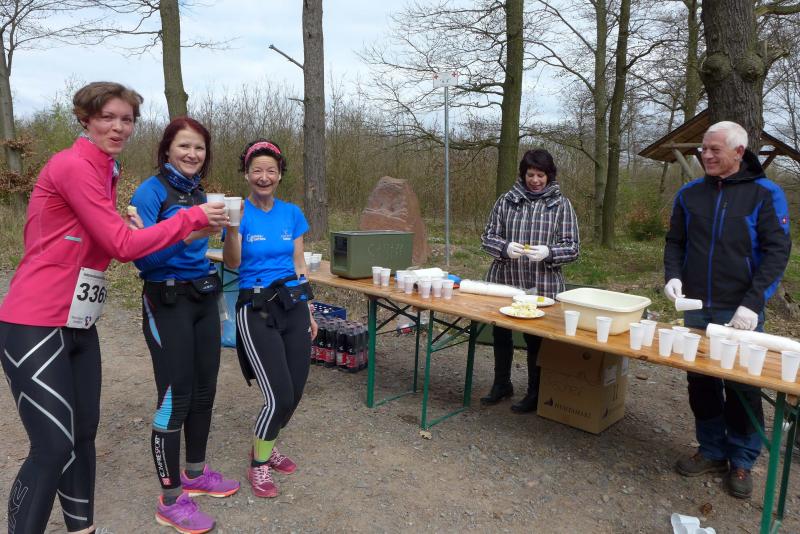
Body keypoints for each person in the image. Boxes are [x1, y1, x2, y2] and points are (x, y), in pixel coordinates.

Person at [0, 82, 226, 534]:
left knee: (83, 435)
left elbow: (108, 241)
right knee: (52, 447)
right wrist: (191, 218)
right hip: (35, 320)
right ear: (85, 118)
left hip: (79, 320)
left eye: (127, 119)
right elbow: (122, 246)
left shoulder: (106, 170)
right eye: (108, 117)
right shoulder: (73, 164)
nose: (119, 127)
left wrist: (132, 229)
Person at [664, 120, 791, 499]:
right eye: (703, 149)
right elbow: (675, 242)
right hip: (696, 306)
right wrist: (673, 276)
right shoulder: (689, 194)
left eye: (713, 149)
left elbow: (777, 251)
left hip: (740, 311)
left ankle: (742, 459)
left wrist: (753, 302)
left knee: (741, 385)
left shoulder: (765, 194)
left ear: (738, 152)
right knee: (700, 381)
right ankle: (711, 449)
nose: (705, 155)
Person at [130, 117, 239, 533]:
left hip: (203, 297)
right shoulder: (151, 192)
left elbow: (221, 254)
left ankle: (195, 473)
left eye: (199, 148)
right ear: (167, 149)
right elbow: (143, 259)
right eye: (184, 146)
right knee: (175, 396)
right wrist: (190, 232)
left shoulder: (199, 193)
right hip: (166, 300)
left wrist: (227, 230)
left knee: (204, 390)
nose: (192, 154)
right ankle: (170, 499)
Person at [223, 139, 318, 498]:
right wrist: (233, 228)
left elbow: (298, 263)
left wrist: (309, 308)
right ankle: (259, 463)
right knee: (277, 395)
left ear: (280, 175)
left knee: (294, 392)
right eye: (257, 170)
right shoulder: (238, 213)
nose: (264, 176)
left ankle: (267, 442)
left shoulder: (292, 213)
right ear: (247, 174)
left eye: (271, 170)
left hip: (292, 304)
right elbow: (233, 263)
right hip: (256, 308)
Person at [480, 149, 580, 413]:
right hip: (506, 281)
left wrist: (549, 252)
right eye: (531, 174)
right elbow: (487, 237)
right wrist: (504, 248)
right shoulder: (507, 201)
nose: (535, 180)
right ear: (523, 175)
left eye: (540, 175)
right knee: (501, 332)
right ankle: (501, 384)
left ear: (549, 176)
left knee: (535, 338)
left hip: (543, 285)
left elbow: (573, 248)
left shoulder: (561, 205)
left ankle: (535, 392)